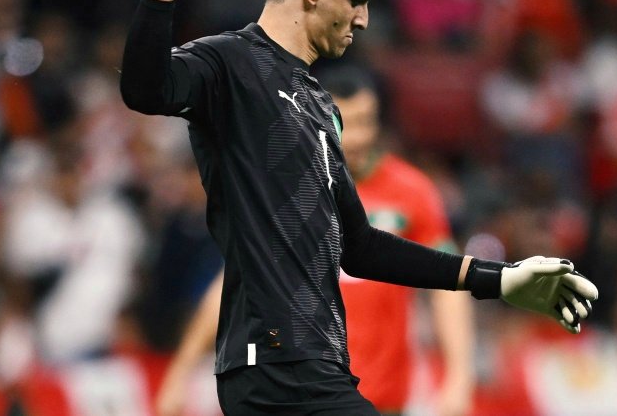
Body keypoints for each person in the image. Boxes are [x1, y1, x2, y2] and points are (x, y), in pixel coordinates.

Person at [121, 0, 598, 414]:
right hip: (276, 368)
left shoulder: (318, 103)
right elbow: (145, 88)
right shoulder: (229, 63)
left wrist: (502, 279)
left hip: (312, 371)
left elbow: (359, 246)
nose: (366, 19)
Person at [156, 66, 475, 416]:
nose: (356, 138)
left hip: (381, 396)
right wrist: (181, 369)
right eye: (344, 123)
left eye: (366, 122)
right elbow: (237, 281)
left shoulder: (413, 193)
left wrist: (459, 377)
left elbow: (449, 286)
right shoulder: (284, 192)